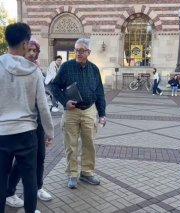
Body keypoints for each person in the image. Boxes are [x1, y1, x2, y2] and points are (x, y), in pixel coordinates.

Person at [0, 23, 54, 213]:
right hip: (27, 133)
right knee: (30, 179)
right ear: (25, 43)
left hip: (2, 133)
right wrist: (49, 131)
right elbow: (43, 106)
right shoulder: (34, 71)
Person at [51, 38, 106, 189]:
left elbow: (100, 92)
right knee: (71, 145)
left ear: (88, 52)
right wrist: (64, 102)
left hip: (89, 111)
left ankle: (87, 173)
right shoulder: (66, 67)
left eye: (81, 50)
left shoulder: (94, 69)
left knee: (89, 144)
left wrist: (102, 113)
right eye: (76, 50)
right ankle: (72, 174)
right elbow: (54, 86)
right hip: (71, 112)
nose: (78, 53)